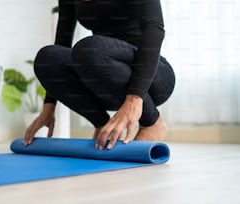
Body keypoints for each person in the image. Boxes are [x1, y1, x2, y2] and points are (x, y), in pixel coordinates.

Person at [24, 0, 175, 150]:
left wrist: (135, 98)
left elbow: (154, 30)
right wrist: (48, 108)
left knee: (89, 50)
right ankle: (102, 124)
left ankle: (152, 122)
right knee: (47, 57)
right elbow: (62, 43)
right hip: (104, 80)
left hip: (151, 77)